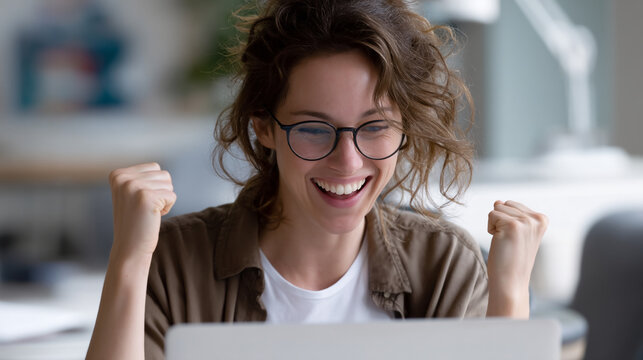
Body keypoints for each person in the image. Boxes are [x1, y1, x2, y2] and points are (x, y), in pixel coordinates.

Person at [86, 0, 548, 359]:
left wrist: (509, 298)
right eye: (312, 129)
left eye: (374, 127)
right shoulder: (174, 262)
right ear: (264, 127)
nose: (347, 162)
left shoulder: (444, 265)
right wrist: (129, 259)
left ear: (405, 127)